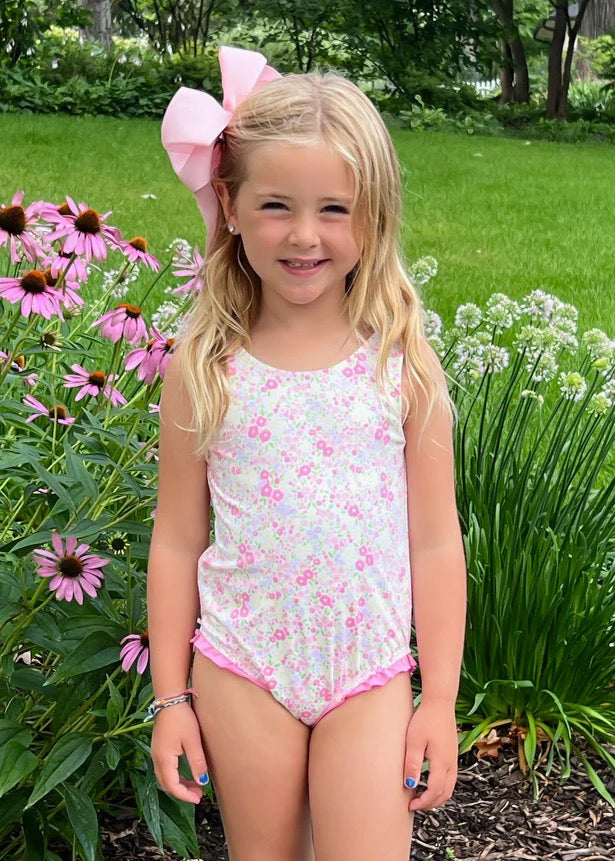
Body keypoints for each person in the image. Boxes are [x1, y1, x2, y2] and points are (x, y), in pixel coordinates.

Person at [147, 44, 467, 861]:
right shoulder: (204, 367)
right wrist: (171, 699)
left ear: (374, 214)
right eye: (275, 205)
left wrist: (438, 700)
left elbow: (435, 540)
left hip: (367, 671)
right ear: (230, 201)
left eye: (333, 208)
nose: (302, 234)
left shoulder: (402, 363)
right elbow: (177, 538)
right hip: (242, 666)